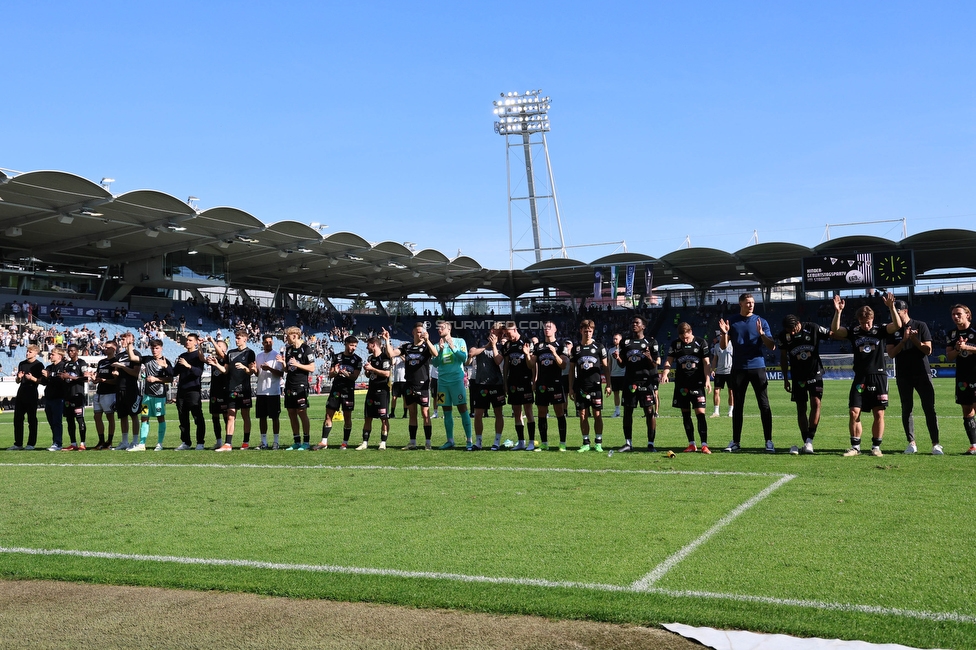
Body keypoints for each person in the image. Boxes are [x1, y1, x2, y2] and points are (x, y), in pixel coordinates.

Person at [830, 293, 902, 457]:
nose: (866, 326)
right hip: (860, 377)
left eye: (868, 322)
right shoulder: (854, 331)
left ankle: (876, 447)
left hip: (878, 376)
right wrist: (838, 312)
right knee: (854, 412)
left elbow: (897, 325)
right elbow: (835, 330)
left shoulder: (880, 330)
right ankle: (855, 447)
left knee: (879, 413)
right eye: (863, 323)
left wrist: (891, 307)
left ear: (873, 319)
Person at [718, 293, 776, 453]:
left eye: (752, 302)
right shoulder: (733, 321)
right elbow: (723, 347)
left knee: (764, 404)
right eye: (747, 302)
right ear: (740, 304)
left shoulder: (761, 321)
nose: (751, 305)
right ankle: (736, 441)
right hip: (738, 368)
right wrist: (724, 333)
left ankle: (768, 441)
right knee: (738, 406)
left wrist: (762, 334)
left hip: (758, 367)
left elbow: (772, 346)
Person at [886, 300, 941, 455]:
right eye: (893, 312)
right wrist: (904, 340)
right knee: (907, 408)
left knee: (929, 408)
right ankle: (911, 443)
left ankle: (935, 444)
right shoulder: (892, 330)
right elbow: (891, 353)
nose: (895, 314)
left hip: (923, 373)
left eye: (898, 311)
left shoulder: (920, 325)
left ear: (906, 310)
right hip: (903, 374)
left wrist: (913, 339)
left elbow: (928, 350)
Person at [776, 315, 831, 455]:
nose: (792, 333)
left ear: (799, 323)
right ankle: (806, 440)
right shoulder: (784, 336)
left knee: (816, 403)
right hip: (797, 377)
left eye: (794, 329)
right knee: (801, 408)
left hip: (815, 373)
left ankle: (809, 440)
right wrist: (785, 378)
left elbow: (831, 333)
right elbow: (783, 356)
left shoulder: (813, 328)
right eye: (790, 331)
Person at [383, 323, 437, 450]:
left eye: (422, 331)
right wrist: (386, 340)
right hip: (409, 384)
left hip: (423, 385)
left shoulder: (426, 347)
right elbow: (391, 354)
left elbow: (435, 354)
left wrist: (428, 340)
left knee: (425, 413)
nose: (420, 334)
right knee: (412, 413)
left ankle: (428, 442)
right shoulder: (406, 347)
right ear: (413, 333)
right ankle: (412, 442)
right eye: (418, 331)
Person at [662, 322, 712, 453]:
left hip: (697, 383)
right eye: (682, 338)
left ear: (691, 332)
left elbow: (706, 363)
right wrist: (665, 373)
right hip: (682, 384)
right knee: (685, 414)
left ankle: (704, 445)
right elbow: (669, 360)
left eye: (687, 337)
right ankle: (691, 444)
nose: (685, 340)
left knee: (700, 414)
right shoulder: (675, 344)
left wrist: (707, 379)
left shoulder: (701, 343)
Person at [613, 316, 659, 452]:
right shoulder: (625, 342)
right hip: (629, 381)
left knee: (649, 411)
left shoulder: (650, 342)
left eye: (637, 323)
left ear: (643, 326)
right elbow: (622, 365)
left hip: (646, 381)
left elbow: (654, 365)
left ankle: (650, 443)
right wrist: (618, 358)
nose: (634, 325)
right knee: (627, 411)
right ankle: (628, 443)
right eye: (632, 322)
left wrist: (650, 357)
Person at [568, 319, 610, 453]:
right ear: (581, 331)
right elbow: (571, 370)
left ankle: (598, 442)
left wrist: (608, 384)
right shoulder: (576, 349)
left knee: (597, 414)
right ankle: (585, 442)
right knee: (582, 414)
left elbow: (606, 367)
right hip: (580, 386)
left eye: (590, 331)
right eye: (585, 331)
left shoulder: (599, 347)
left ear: (593, 331)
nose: (588, 333)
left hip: (595, 386)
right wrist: (570, 387)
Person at [431, 321, 472, 450]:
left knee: (463, 409)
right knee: (446, 411)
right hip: (442, 383)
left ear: (449, 329)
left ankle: (469, 440)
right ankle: (450, 440)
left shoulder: (460, 342)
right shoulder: (437, 346)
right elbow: (436, 363)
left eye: (442, 328)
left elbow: (464, 358)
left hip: (456, 382)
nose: (439, 330)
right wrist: (441, 351)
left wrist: (453, 347)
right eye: (438, 328)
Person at [316, 336, 362, 450]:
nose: (353, 348)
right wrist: (336, 372)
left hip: (348, 391)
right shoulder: (337, 357)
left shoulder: (358, 360)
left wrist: (346, 374)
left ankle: (344, 442)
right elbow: (330, 374)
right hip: (336, 390)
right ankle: (324, 441)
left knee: (347, 417)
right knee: (328, 415)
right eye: (351, 345)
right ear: (346, 344)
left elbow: (354, 377)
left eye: (355, 346)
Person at [529, 320, 568, 452]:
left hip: (556, 383)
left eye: (550, 327)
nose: (547, 329)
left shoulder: (561, 345)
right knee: (541, 413)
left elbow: (563, 365)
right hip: (542, 384)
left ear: (555, 329)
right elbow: (531, 365)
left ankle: (562, 443)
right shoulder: (538, 346)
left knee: (559, 412)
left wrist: (554, 353)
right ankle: (544, 443)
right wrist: (526, 355)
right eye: (545, 327)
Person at [215, 331, 256, 451]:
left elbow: (251, 371)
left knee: (245, 415)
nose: (236, 340)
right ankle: (228, 444)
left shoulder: (250, 353)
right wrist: (216, 364)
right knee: (230, 416)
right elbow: (225, 370)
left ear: (245, 339)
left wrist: (245, 368)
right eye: (236, 338)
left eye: (239, 338)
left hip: (244, 389)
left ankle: (246, 442)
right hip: (231, 389)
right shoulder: (230, 353)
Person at [130, 339, 173, 451]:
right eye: (153, 348)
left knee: (160, 417)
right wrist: (129, 345)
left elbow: (170, 378)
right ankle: (142, 444)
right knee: (144, 418)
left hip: (159, 396)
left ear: (161, 348)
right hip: (147, 396)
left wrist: (156, 379)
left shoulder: (165, 361)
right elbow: (133, 358)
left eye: (157, 348)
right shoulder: (147, 359)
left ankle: (159, 443)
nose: (154, 350)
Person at [467, 327, 506, 451]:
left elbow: (498, 360)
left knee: (498, 413)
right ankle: (478, 442)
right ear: (491, 330)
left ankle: (496, 441)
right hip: (481, 384)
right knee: (478, 414)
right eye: (498, 331)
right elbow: (471, 353)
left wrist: (494, 346)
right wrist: (488, 345)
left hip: (496, 384)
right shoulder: (480, 341)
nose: (499, 334)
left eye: (501, 333)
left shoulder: (502, 346)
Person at [500, 322, 536, 451]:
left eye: (509, 333)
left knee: (528, 411)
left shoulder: (526, 341)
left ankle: (531, 441)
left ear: (515, 329)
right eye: (505, 334)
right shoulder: (508, 345)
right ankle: (521, 441)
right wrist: (505, 382)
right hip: (513, 382)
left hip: (525, 381)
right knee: (516, 411)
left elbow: (532, 363)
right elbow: (506, 365)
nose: (507, 336)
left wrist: (534, 379)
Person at [946, 304, 976, 455]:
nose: (955, 316)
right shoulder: (951, 334)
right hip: (962, 377)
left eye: (958, 314)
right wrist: (958, 348)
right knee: (967, 411)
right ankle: (973, 445)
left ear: (967, 315)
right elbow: (949, 356)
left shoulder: (974, 331)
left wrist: (967, 348)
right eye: (953, 314)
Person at [281, 326, 315, 450]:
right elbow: (288, 369)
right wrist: (283, 363)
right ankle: (296, 441)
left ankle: (306, 441)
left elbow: (312, 368)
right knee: (291, 413)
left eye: (288, 336)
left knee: (302, 412)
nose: (286, 339)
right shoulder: (288, 349)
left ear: (295, 336)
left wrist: (298, 364)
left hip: (300, 385)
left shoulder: (306, 349)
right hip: (289, 385)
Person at [173, 333, 207, 450]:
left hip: (193, 390)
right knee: (183, 418)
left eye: (190, 340)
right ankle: (186, 442)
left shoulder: (198, 356)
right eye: (187, 340)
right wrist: (164, 365)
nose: (187, 342)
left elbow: (198, 373)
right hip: (181, 391)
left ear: (196, 342)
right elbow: (174, 372)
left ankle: (200, 442)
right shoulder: (182, 356)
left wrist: (188, 366)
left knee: (197, 417)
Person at [360, 336, 392, 449]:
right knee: (368, 417)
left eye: (368, 344)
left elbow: (387, 374)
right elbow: (369, 375)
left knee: (384, 418)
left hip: (382, 391)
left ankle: (383, 442)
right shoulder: (370, 358)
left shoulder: (385, 357)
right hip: (371, 391)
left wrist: (372, 369)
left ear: (374, 344)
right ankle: (365, 442)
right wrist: (367, 371)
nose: (366, 347)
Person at [9, 344, 44, 450]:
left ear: (35, 353)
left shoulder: (39, 365)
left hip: (32, 392)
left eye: (30, 352)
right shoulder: (22, 364)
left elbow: (41, 381)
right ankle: (18, 443)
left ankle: (31, 443)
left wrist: (32, 378)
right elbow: (18, 381)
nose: (27, 353)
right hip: (21, 392)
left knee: (32, 419)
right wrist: (18, 378)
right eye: (27, 351)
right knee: (17, 419)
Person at [112, 333, 143, 450]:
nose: (122, 341)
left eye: (124, 339)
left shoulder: (136, 354)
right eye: (121, 339)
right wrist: (115, 373)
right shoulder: (119, 355)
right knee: (123, 416)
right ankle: (124, 441)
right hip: (120, 388)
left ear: (131, 339)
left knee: (134, 415)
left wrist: (122, 367)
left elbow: (135, 373)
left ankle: (135, 441)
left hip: (131, 388)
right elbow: (116, 372)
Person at [254, 333, 284, 450]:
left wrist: (270, 369)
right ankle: (264, 442)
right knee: (262, 417)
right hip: (261, 391)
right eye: (266, 342)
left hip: (273, 391)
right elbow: (257, 373)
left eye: (270, 342)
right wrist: (253, 370)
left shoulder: (276, 356)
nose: (268, 344)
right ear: (262, 343)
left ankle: (276, 442)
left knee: (275, 417)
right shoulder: (259, 356)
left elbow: (281, 374)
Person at [61, 343, 89, 451]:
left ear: (77, 351)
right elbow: (65, 377)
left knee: (80, 419)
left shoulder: (81, 363)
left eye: (72, 351)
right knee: (69, 420)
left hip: (78, 395)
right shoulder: (66, 364)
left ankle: (83, 443)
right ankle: (73, 443)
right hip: (68, 395)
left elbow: (85, 379)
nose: (70, 352)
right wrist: (63, 377)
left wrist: (70, 377)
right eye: (69, 351)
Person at [91, 340, 118, 450]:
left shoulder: (116, 362)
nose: (105, 349)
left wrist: (104, 380)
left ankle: (109, 441)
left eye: (108, 348)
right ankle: (101, 441)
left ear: (113, 349)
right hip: (99, 392)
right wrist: (95, 379)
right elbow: (98, 377)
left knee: (110, 417)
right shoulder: (101, 362)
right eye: (105, 347)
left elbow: (116, 381)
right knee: (97, 416)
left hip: (110, 393)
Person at [204, 337, 229, 450]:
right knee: (215, 416)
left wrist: (213, 341)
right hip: (214, 390)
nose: (215, 348)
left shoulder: (226, 359)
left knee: (225, 416)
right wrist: (200, 346)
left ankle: (228, 441)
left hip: (224, 391)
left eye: (219, 346)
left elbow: (223, 357)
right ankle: (218, 441)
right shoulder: (214, 359)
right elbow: (202, 358)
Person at [40, 347, 67, 451]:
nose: (50, 356)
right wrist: (45, 377)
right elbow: (44, 382)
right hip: (49, 398)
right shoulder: (49, 367)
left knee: (57, 421)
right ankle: (55, 441)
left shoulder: (64, 366)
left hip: (59, 397)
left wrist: (49, 375)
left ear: (59, 356)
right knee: (51, 422)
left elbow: (61, 380)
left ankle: (58, 443)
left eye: (52, 354)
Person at [710, 335, 733, 418]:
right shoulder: (716, 346)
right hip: (719, 372)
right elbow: (715, 359)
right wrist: (712, 369)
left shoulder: (732, 345)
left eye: (722, 334)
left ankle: (730, 411)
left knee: (731, 392)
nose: (720, 336)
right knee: (716, 391)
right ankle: (716, 412)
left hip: (730, 371)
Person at [608, 332, 625, 418]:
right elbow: (609, 364)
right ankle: (617, 411)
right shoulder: (610, 350)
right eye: (614, 339)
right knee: (616, 393)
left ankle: (626, 410)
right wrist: (609, 374)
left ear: (620, 340)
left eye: (616, 339)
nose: (614, 340)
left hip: (623, 374)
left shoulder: (624, 350)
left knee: (625, 393)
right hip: (614, 375)